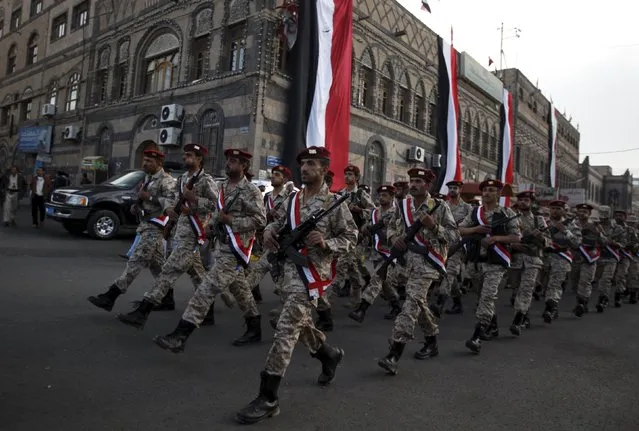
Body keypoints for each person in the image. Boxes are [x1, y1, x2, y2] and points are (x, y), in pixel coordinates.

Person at [235, 146, 357, 425]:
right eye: (303, 163)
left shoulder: (334, 203)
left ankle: (268, 397)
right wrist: (268, 231)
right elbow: (276, 221)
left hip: (311, 275)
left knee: (286, 328)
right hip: (287, 273)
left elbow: (351, 237)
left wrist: (327, 242)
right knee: (293, 321)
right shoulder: (292, 199)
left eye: (312, 163)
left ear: (324, 169)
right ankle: (328, 355)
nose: (305, 168)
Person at [152, 148, 266, 351]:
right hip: (221, 246)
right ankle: (254, 326)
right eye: (228, 160)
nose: (229, 163)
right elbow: (216, 211)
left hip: (236, 248)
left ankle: (180, 335)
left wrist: (232, 221)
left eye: (234, 161)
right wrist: (211, 226)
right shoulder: (223, 186)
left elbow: (260, 219)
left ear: (244, 166)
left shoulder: (251, 191)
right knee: (240, 290)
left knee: (206, 289)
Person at [115, 144, 218, 329]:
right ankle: (208, 310)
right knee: (197, 274)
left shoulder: (205, 180)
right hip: (181, 232)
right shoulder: (183, 179)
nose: (185, 158)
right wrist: (169, 218)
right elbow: (176, 203)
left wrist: (194, 200)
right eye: (185, 155)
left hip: (194, 234)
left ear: (199, 159)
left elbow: (215, 205)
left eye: (189, 155)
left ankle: (143, 312)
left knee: (168, 271)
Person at [377, 168, 458, 373]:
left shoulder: (438, 207)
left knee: (411, 304)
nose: (413, 184)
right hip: (406, 262)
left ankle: (394, 353)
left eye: (419, 181)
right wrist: (394, 238)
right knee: (418, 302)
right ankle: (432, 340)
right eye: (412, 180)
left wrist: (434, 227)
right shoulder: (403, 205)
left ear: (428, 185)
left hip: (427, 264)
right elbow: (392, 227)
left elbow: (454, 236)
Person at [87, 149, 177, 312]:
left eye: (149, 161)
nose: (145, 163)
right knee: (158, 266)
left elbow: (171, 204)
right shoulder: (147, 178)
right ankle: (167, 298)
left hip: (155, 227)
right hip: (145, 225)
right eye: (145, 160)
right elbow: (144, 200)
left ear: (159, 163)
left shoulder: (167, 180)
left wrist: (148, 197)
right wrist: (137, 207)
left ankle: (110, 296)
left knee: (135, 262)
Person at [458, 179, 520, 354]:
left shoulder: (507, 213)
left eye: (491, 190)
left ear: (499, 194)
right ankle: (492, 326)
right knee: (481, 297)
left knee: (487, 297)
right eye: (485, 190)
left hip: (496, 262)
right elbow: (459, 230)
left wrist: (496, 239)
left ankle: (477, 336)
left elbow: (516, 237)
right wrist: (476, 229)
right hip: (476, 262)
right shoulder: (475, 213)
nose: (487, 193)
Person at [507, 191, 549, 335]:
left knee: (526, 288)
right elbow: (505, 238)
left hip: (532, 259)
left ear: (532, 203)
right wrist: (512, 245)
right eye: (521, 200)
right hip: (515, 260)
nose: (523, 202)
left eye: (526, 200)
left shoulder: (539, 220)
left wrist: (541, 238)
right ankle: (524, 316)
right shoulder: (510, 218)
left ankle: (517, 320)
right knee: (517, 289)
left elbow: (548, 242)